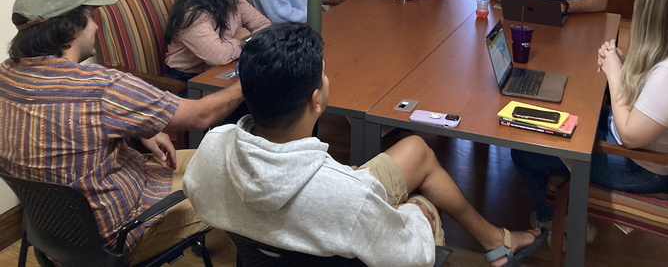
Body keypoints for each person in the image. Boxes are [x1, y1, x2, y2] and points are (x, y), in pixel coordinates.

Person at [183, 23, 547, 267]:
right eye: (324, 73)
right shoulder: (349, 197)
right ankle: (493, 242)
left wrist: (341, 177)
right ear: (315, 101)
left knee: (417, 150)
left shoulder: (213, 148)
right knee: (422, 203)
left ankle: (494, 241)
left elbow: (206, 199)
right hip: (337, 202)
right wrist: (413, 214)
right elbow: (413, 257)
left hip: (312, 204)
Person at [0, 0, 244, 263]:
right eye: (91, 17)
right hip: (120, 233)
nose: (96, 27)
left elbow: (59, 129)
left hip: (51, 230)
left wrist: (140, 128)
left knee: (208, 162)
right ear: (71, 28)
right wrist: (249, 79)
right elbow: (202, 115)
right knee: (228, 175)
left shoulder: (6, 77)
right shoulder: (99, 87)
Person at [511, 0, 668, 235]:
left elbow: (631, 136)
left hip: (642, 167)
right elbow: (650, 93)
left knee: (524, 151)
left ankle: (554, 225)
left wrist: (613, 73)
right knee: (566, 110)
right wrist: (621, 63)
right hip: (639, 148)